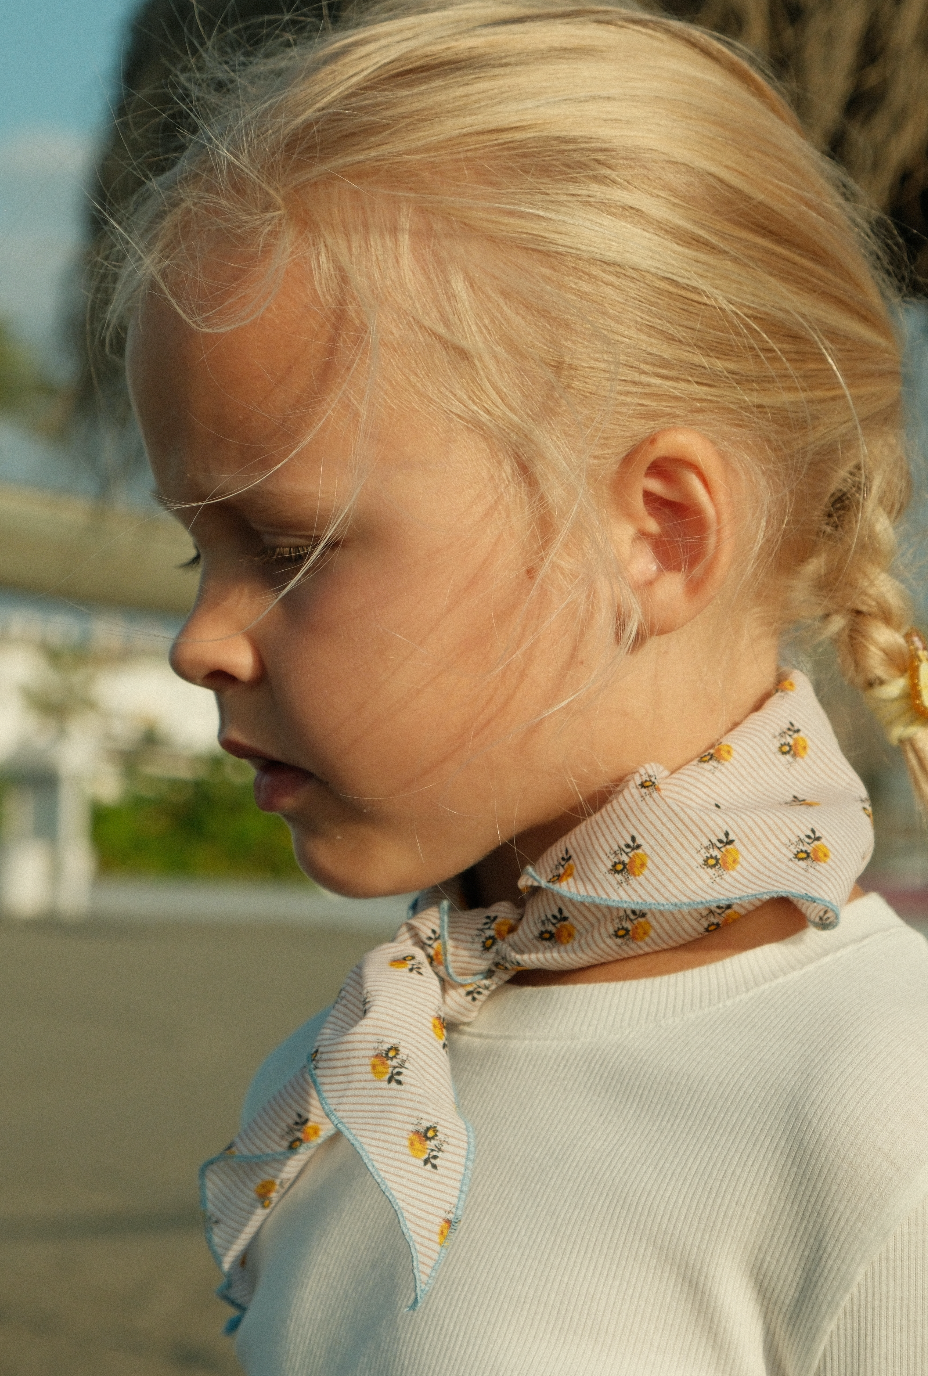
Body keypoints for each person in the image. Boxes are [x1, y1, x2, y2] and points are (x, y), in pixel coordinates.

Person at [109, 3, 928, 1371]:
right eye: (204, 551)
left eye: (293, 546)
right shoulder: (354, 1079)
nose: (201, 640)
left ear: (659, 534)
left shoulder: (881, 1113)